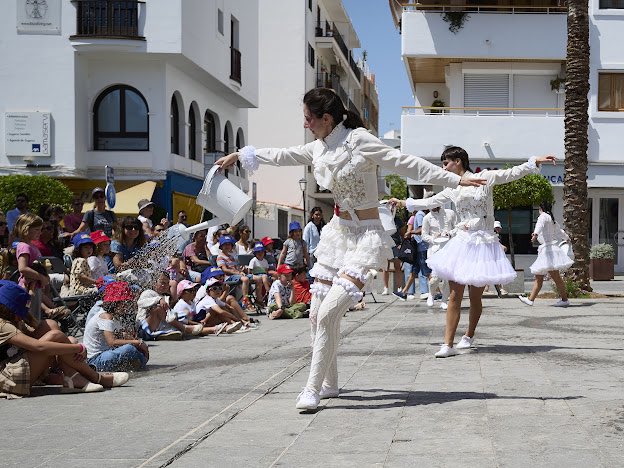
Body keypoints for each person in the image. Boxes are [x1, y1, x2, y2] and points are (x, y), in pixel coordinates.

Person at [216, 87, 483, 410]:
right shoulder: (319, 147)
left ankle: (311, 389)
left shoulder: (359, 141)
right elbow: (285, 155)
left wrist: (454, 180)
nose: (306, 124)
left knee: (329, 313)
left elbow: (405, 163)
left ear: (326, 118)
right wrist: (243, 155)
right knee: (315, 314)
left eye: (309, 119)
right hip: (338, 234)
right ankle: (329, 384)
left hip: (367, 235)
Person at [392, 146, 555, 358]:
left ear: (458, 161)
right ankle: (447, 344)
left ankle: (468, 335)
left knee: (475, 297)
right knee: (454, 294)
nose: (444, 168)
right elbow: (431, 201)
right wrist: (405, 202)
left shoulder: (484, 177)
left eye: (446, 163)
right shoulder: (453, 187)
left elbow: (510, 174)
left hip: (483, 244)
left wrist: (534, 162)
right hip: (461, 243)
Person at [0, 281, 128, 398]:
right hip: (9, 378)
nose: (21, 317)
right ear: (8, 309)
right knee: (58, 337)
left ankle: (70, 376)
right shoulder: (3, 325)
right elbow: (37, 346)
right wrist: (79, 348)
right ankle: (95, 377)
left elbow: (41, 334)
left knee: (53, 327)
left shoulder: (14, 320)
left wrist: (70, 345)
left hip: (19, 365)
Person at [83, 282, 149, 371]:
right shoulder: (106, 316)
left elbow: (122, 335)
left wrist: (136, 341)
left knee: (133, 348)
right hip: (95, 360)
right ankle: (140, 364)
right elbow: (112, 342)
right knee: (130, 349)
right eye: (125, 303)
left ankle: (136, 364)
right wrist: (138, 342)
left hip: (103, 355)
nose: (127, 306)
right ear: (116, 303)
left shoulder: (115, 316)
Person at [519, 200, 573, 308]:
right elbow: (560, 232)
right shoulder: (552, 219)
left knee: (554, 277)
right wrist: (567, 238)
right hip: (551, 250)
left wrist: (535, 234)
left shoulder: (543, 216)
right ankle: (531, 299)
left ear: (541, 208)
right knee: (541, 276)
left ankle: (564, 299)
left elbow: (539, 225)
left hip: (548, 251)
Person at [420, 203, 456, 309]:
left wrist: (450, 233)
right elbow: (424, 235)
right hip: (435, 249)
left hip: (449, 247)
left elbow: (457, 228)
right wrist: (433, 238)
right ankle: (431, 295)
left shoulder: (450, 213)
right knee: (435, 277)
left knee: (447, 277)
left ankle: (444, 300)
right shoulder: (427, 218)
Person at [381, 214, 405, 296]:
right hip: (385, 244)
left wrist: (402, 244)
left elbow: (402, 233)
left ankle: (399, 287)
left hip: (396, 244)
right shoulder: (382, 218)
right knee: (385, 267)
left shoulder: (397, 219)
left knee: (397, 266)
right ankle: (385, 288)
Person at [484, 221, 509, 297]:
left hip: (495, 257)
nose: (497, 229)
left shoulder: (498, 236)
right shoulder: (490, 235)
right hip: (489, 257)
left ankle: (498, 290)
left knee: (495, 273)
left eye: (498, 228)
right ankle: (489, 289)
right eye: (496, 228)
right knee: (490, 273)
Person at [248, 242, 272, 307]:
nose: (260, 253)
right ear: (255, 253)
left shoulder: (265, 261)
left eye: (262, 252)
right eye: (258, 252)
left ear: (264, 253)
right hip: (255, 275)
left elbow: (266, 271)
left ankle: (269, 293)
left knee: (267, 276)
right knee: (264, 276)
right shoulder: (253, 260)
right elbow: (250, 271)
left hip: (264, 276)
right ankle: (269, 292)